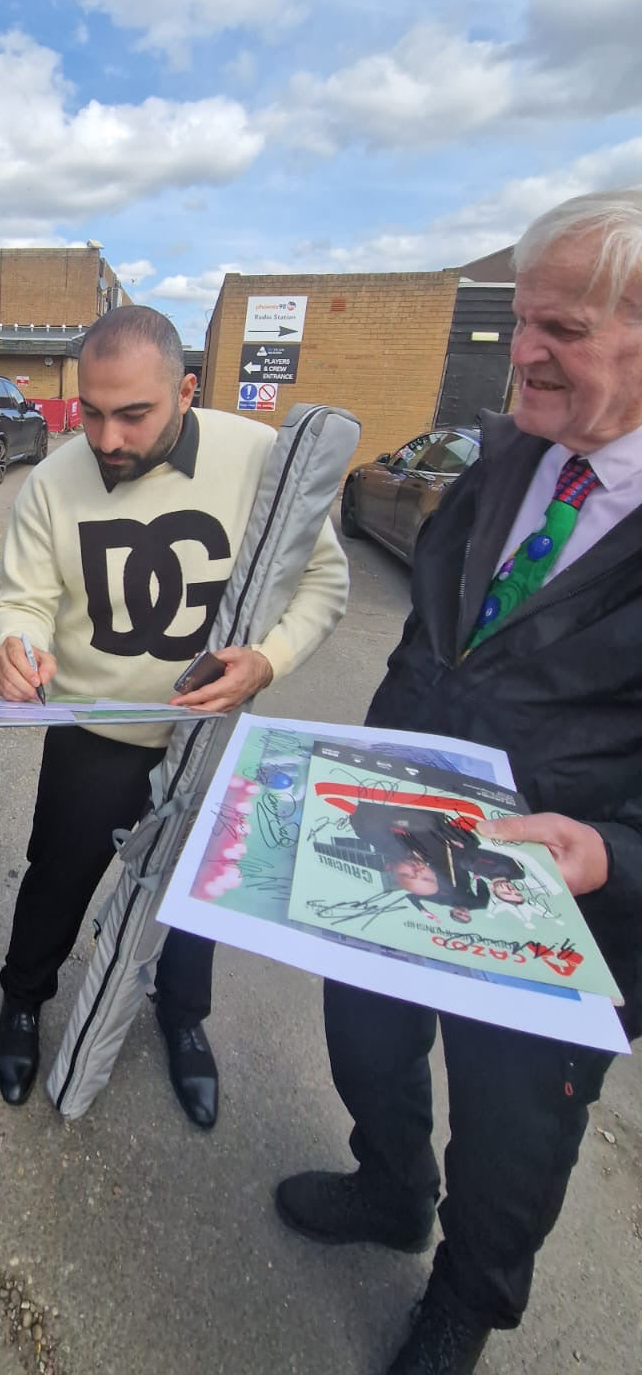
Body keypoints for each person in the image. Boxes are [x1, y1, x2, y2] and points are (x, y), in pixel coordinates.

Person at [275, 188, 642, 1375]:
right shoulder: (506, 457)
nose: (520, 353)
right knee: (368, 1041)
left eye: (563, 333)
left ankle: (465, 1306)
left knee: (512, 1138)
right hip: (395, 840)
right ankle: (391, 1188)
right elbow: (428, 641)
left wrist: (610, 852)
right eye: (523, 320)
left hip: (557, 909)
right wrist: (352, 778)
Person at [0, 305, 348, 1128]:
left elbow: (325, 582)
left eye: (133, 414)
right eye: (92, 412)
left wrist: (268, 660)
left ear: (187, 390)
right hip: (92, 735)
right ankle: (22, 999)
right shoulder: (53, 480)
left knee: (194, 895)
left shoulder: (259, 457)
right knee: (57, 879)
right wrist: (18, 642)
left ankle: (181, 1016)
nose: (106, 439)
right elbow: (27, 595)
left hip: (213, 738)